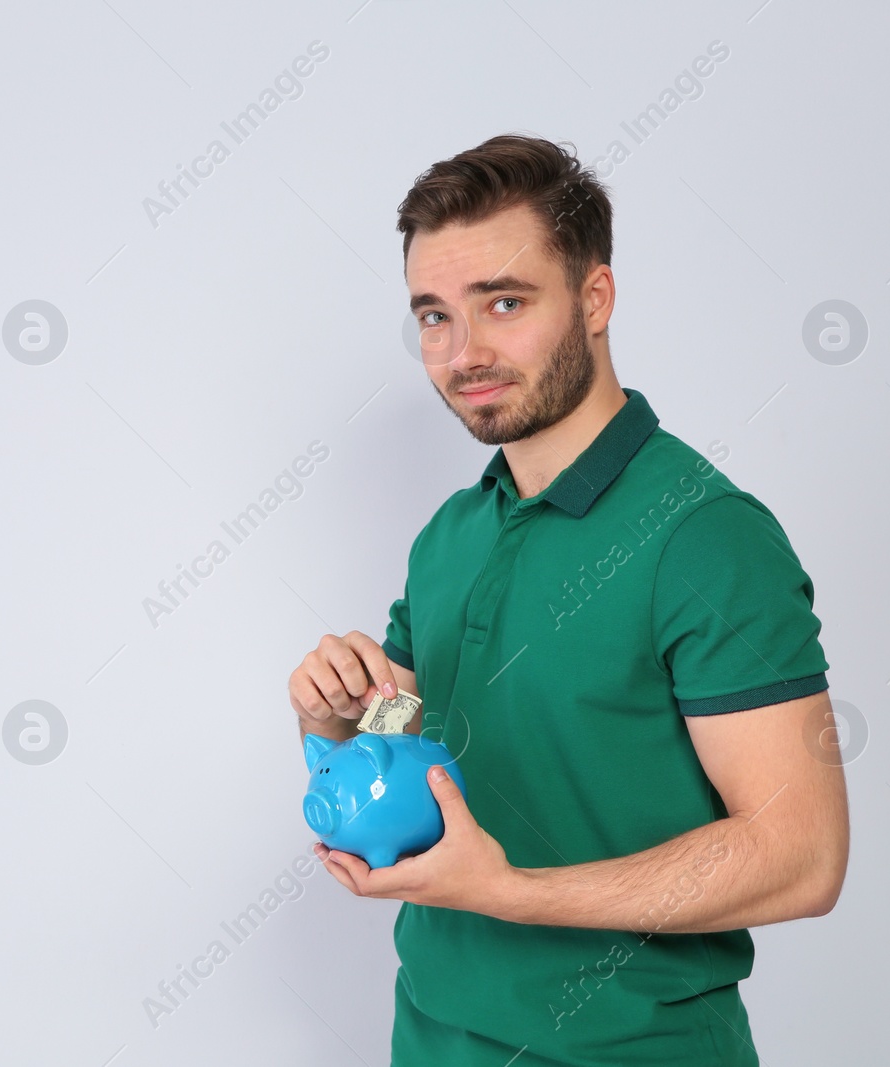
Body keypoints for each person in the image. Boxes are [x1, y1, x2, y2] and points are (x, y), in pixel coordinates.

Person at [288, 133, 849, 1067]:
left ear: (595, 298)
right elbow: (409, 740)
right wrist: (335, 722)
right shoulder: (449, 536)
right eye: (434, 316)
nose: (464, 352)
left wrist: (514, 890)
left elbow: (802, 855)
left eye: (504, 303)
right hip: (431, 1038)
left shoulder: (706, 537)